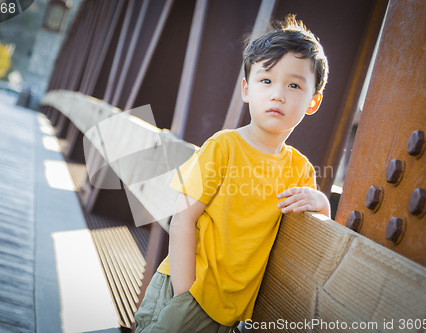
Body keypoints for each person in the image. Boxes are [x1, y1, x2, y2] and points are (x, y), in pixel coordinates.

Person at [135, 14, 331, 333]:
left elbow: (314, 232)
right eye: (266, 81)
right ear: (246, 89)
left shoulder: (300, 170)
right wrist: (186, 294)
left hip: (230, 312)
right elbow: (183, 218)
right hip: (191, 291)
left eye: (294, 85)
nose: (278, 94)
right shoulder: (224, 146)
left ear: (313, 101)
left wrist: (321, 202)